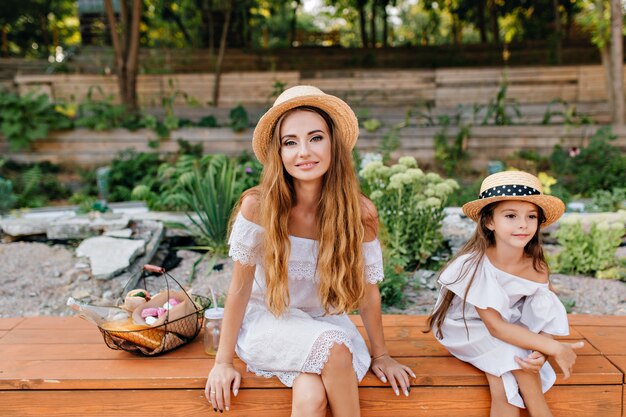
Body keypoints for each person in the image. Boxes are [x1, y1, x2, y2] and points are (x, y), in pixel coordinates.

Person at [204, 85, 415, 416]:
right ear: (279, 152)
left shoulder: (359, 213)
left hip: (325, 322)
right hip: (269, 320)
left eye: (315, 138)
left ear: (333, 145)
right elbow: (240, 289)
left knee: (311, 393)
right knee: (334, 350)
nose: (303, 151)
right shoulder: (258, 207)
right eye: (290, 142)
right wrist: (223, 361)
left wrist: (382, 354)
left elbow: (369, 293)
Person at [426, 170, 584, 417]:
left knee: (505, 380)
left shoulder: (536, 268)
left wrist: (541, 352)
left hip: (507, 324)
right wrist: (555, 349)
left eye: (531, 216)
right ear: (489, 222)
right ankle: (541, 411)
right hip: (464, 328)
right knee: (514, 355)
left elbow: (544, 319)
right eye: (510, 215)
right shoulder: (475, 264)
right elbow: (495, 328)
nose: (523, 224)